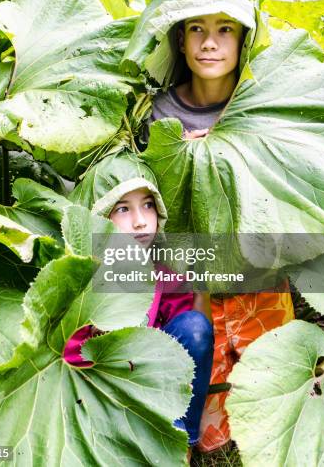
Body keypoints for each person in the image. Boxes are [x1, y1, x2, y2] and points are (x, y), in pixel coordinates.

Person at [142, 8, 295, 453]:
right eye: (197, 30)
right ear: (180, 40)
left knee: (273, 400)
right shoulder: (159, 111)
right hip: (190, 279)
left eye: (224, 30)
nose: (210, 43)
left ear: (243, 39)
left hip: (258, 272)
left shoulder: (261, 102)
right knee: (210, 437)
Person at [63, 152, 214, 450]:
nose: (140, 221)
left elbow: (186, 339)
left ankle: (179, 438)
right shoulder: (81, 277)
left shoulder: (163, 271)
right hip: (101, 390)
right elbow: (69, 360)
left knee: (196, 327)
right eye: (122, 209)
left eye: (148, 205)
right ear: (99, 218)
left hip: (148, 380)